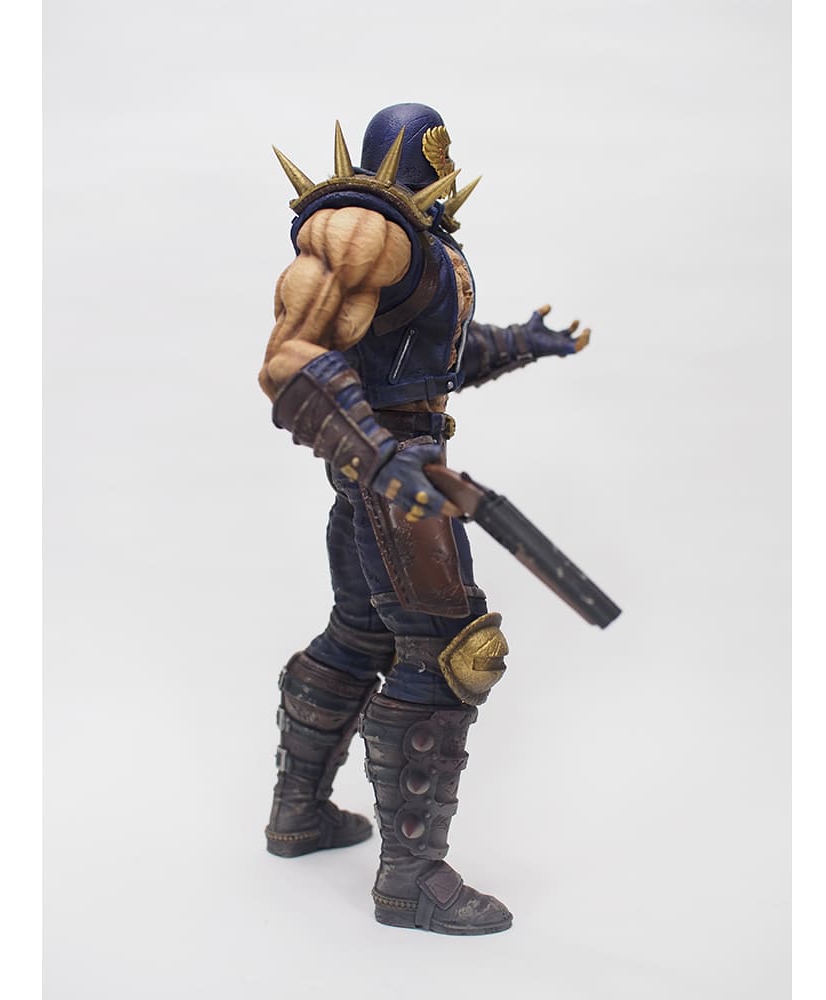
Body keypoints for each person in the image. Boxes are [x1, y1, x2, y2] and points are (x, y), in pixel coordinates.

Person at [259, 103, 589, 935]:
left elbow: (424, 364)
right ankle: (412, 881)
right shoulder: (363, 230)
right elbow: (292, 361)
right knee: (451, 655)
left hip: (384, 469)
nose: (448, 162)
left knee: (360, 634)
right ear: (421, 154)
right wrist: (380, 456)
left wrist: (522, 342)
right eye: (439, 149)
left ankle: (299, 816)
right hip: (395, 479)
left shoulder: (417, 244)